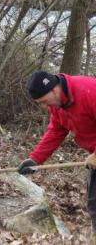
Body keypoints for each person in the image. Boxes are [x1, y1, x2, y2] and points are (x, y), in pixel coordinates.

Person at [18, 71, 96, 239]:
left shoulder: (88, 91)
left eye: (44, 101)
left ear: (54, 90)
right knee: (94, 203)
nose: (44, 107)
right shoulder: (58, 106)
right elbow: (55, 132)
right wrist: (35, 159)